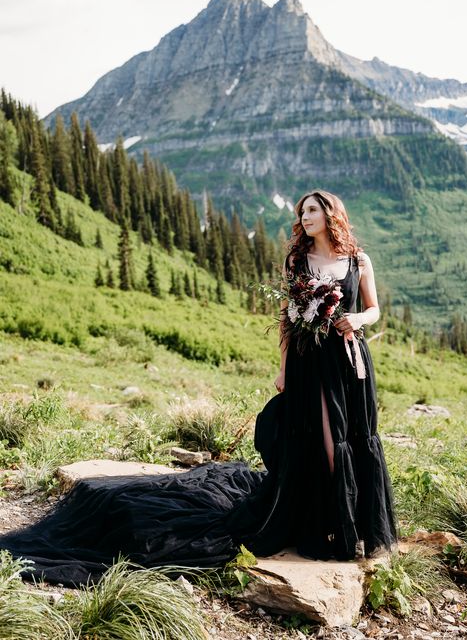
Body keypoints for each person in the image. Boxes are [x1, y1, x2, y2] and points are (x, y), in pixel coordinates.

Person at [0, 189, 398, 586]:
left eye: (312, 210)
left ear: (331, 214)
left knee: (352, 438)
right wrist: (283, 370)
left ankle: (357, 527)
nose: (305, 217)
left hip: (348, 362)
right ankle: (329, 529)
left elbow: (375, 308)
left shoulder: (358, 260)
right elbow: (286, 320)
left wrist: (358, 319)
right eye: (302, 211)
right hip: (308, 363)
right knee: (323, 442)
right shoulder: (297, 260)